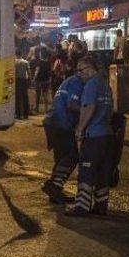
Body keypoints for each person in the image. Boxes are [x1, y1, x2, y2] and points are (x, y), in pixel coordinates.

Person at [67, 56, 114, 217]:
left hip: (93, 135)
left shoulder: (91, 85)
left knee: (86, 172)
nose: (79, 74)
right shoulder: (104, 85)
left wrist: (80, 128)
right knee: (102, 172)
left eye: (81, 70)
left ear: (89, 68)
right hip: (107, 135)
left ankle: (81, 207)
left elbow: (89, 107)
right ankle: (101, 206)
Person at [42, 71, 84, 203]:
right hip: (61, 123)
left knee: (61, 158)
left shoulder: (69, 81)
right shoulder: (77, 83)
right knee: (71, 157)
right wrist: (89, 111)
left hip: (52, 122)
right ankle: (54, 185)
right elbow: (72, 104)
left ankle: (55, 193)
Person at [14, 50, 31, 119]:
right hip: (24, 80)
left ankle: (17, 114)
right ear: (21, 54)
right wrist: (30, 80)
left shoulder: (13, 62)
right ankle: (25, 114)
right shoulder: (25, 62)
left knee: (17, 97)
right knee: (25, 97)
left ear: (16, 54)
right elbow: (29, 73)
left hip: (16, 80)